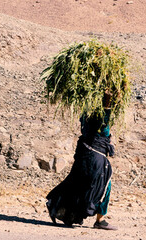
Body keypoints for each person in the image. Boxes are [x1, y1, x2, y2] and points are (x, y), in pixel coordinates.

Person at [45, 93, 117, 230]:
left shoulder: (86, 113)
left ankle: (58, 206)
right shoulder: (98, 118)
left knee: (78, 183)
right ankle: (100, 220)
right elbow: (105, 114)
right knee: (103, 186)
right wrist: (109, 100)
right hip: (95, 158)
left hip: (85, 155)